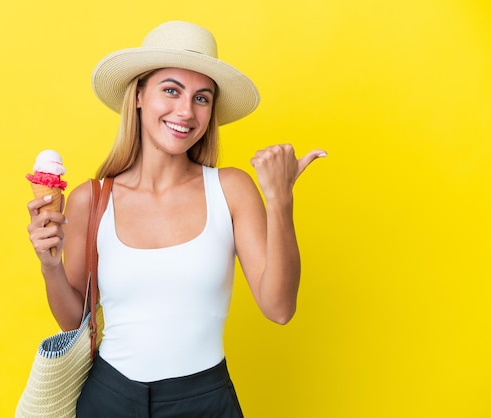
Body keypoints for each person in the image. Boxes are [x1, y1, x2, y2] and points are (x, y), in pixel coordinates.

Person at [27, 20, 326, 418]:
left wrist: (280, 200)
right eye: (171, 90)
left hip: (205, 401)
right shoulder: (92, 199)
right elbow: (73, 321)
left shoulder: (231, 189)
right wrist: (50, 265)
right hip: (108, 399)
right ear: (138, 95)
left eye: (202, 98)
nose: (186, 111)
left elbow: (280, 308)